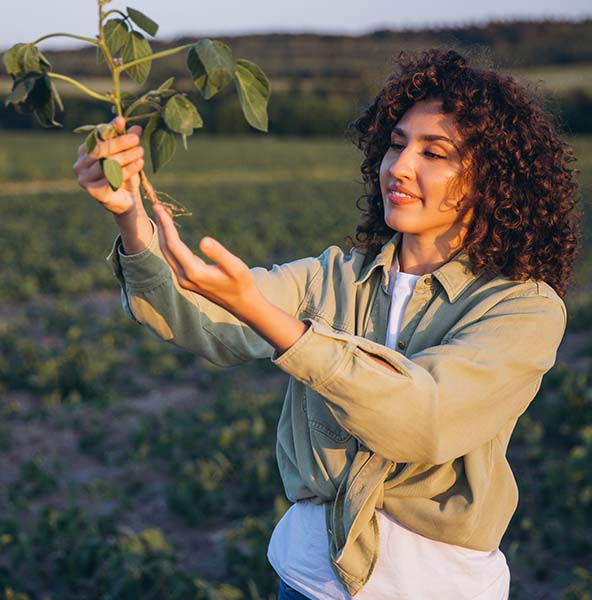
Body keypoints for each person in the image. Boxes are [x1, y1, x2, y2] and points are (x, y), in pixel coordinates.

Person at [73, 48, 580, 599]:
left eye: (434, 152)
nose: (400, 166)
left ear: (493, 180)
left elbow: (424, 420)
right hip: (307, 580)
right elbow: (200, 317)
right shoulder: (334, 276)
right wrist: (129, 215)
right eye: (396, 143)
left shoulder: (522, 308)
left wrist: (271, 319)